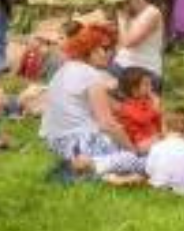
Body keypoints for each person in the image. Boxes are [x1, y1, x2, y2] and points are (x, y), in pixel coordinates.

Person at [39, 21, 141, 177]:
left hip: (55, 143)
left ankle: (86, 166)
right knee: (137, 161)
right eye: (106, 48)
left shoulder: (66, 69)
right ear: (91, 48)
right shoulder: (91, 75)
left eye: (112, 48)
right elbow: (107, 124)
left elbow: (113, 108)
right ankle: (92, 166)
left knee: (122, 140)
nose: (110, 53)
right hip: (79, 141)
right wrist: (132, 150)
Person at [109, 0, 166, 86]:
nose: (120, 7)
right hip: (120, 65)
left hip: (143, 72)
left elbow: (129, 42)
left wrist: (121, 18)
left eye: (122, 3)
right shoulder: (130, 15)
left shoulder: (151, 13)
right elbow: (120, 44)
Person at [112, 69, 163, 152]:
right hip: (140, 142)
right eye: (146, 85)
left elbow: (158, 120)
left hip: (153, 137)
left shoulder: (147, 101)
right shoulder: (126, 106)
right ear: (134, 90)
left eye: (151, 84)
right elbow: (142, 119)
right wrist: (155, 107)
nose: (151, 88)